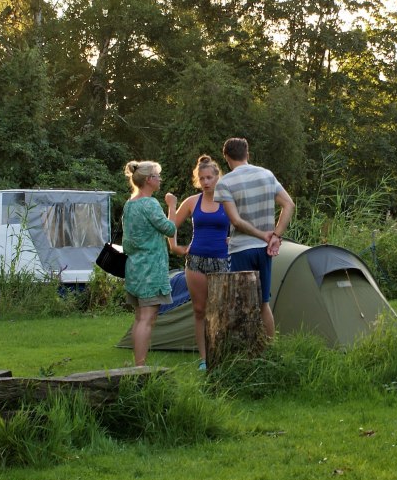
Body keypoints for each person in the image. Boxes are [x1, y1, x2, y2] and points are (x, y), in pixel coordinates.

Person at [213, 137, 295, 339]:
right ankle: (270, 349)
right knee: (263, 304)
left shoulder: (224, 183)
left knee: (240, 303)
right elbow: (289, 205)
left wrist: (262, 235)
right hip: (264, 250)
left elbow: (236, 221)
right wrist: (275, 236)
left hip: (241, 249)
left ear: (226, 157)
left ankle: (243, 353)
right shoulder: (266, 175)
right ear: (247, 154)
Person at [165, 155, 230, 370]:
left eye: (209, 177)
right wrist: (174, 246)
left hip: (221, 260)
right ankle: (204, 359)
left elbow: (242, 224)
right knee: (199, 310)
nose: (206, 182)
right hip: (195, 261)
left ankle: (220, 354)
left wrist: (235, 238)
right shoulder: (193, 202)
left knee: (219, 311)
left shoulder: (228, 201)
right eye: (202, 178)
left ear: (217, 177)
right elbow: (170, 225)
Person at [122, 160, 177, 366]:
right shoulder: (149, 203)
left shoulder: (130, 204)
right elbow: (170, 229)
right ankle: (140, 366)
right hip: (150, 268)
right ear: (148, 180)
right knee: (147, 318)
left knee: (140, 317)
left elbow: (128, 239)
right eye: (157, 176)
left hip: (135, 267)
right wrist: (172, 206)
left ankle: (139, 363)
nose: (160, 179)